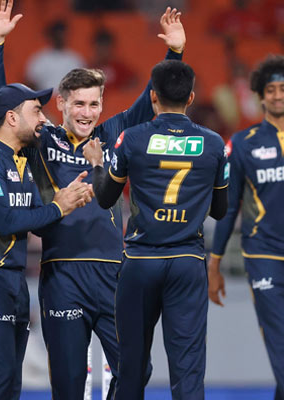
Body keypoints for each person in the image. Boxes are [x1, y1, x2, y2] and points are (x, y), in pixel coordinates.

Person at [0, 1, 186, 397]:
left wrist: (175, 51)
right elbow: (4, 106)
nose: (87, 112)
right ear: (60, 103)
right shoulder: (42, 140)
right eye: (79, 103)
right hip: (63, 276)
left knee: (137, 370)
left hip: (114, 275)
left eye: (94, 104)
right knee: (69, 383)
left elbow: (152, 96)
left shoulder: (112, 133)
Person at [83, 59, 228, 399]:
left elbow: (106, 199)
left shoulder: (132, 138)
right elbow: (220, 210)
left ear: (152, 96)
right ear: (191, 97)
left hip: (140, 262)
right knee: (188, 369)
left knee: (131, 367)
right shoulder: (213, 143)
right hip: (187, 262)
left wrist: (97, 164)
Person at [0, 82, 93, 399]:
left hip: (13, 279)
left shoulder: (20, 163)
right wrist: (58, 207)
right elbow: (5, 221)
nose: (43, 118)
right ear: (12, 118)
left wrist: (66, 201)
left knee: (10, 384)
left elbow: (38, 223)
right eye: (36, 111)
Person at [208, 55, 284, 399]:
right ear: (260, 95)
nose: (278, 95)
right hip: (264, 256)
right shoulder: (243, 143)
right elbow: (228, 206)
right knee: (280, 348)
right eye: (271, 89)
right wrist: (215, 263)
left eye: (283, 89)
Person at [25, 19, 86, 92]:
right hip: (46, 96)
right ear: (52, 36)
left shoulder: (75, 59)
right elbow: (31, 81)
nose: (60, 38)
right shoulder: (40, 58)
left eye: (63, 35)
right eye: (58, 35)